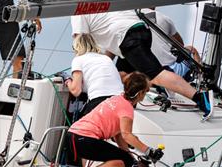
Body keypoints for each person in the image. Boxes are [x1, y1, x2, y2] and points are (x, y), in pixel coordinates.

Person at [71, 11, 213, 118]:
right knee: (120, 76)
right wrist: (103, 62)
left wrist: (79, 67)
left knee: (157, 75)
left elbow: (80, 42)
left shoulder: (78, 10)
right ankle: (125, 113)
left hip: (127, 38)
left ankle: (201, 99)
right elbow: (113, 32)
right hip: (140, 31)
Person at [64, 72, 163, 167]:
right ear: (141, 93)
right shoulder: (127, 108)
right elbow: (127, 135)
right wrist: (149, 151)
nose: (145, 94)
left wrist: (128, 154)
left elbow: (119, 135)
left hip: (71, 135)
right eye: (146, 91)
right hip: (85, 139)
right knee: (126, 161)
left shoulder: (116, 98)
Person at [65, 33, 123, 118]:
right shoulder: (106, 58)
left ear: (76, 47)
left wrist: (68, 81)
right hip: (121, 101)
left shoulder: (78, 60)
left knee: (80, 130)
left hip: (101, 100)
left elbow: (76, 91)